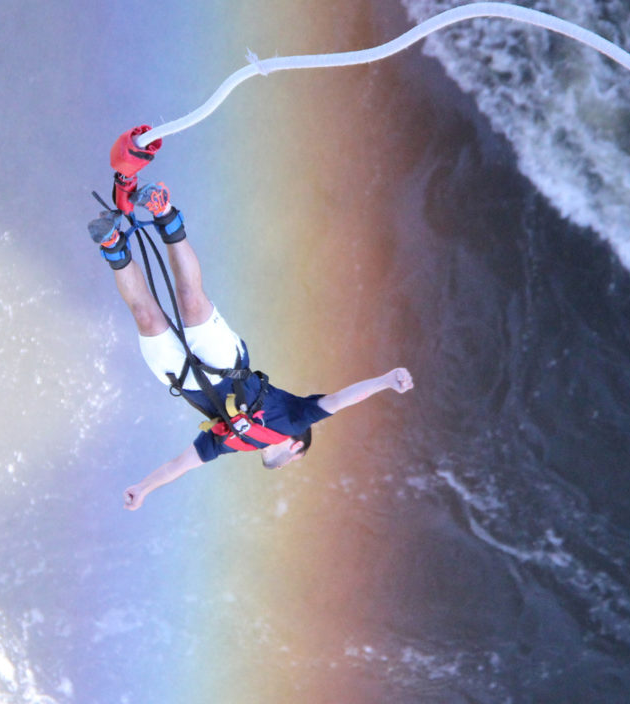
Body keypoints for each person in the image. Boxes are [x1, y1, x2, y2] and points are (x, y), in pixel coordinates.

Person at [91, 126, 415, 511]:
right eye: (296, 460)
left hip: (182, 378)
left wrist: (144, 488)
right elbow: (341, 400)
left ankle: (113, 245)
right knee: (191, 301)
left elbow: (181, 464)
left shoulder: (226, 444)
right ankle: (165, 214)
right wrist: (386, 381)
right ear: (296, 447)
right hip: (226, 365)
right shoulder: (296, 420)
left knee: (146, 316)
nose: (287, 466)